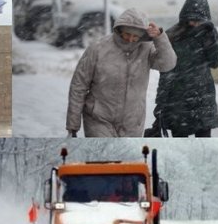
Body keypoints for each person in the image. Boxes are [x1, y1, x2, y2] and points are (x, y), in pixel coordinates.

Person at [66, 8, 177, 137]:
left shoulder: (146, 49)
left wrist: (160, 38)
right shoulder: (97, 49)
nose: (130, 39)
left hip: (132, 123)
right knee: (105, 156)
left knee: (127, 158)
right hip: (99, 120)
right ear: (119, 30)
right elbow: (78, 86)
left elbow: (168, 64)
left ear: (142, 35)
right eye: (127, 34)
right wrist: (73, 126)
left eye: (135, 36)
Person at [150, 0, 218, 137]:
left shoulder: (208, 33)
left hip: (203, 98)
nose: (195, 24)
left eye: (199, 20)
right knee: (181, 145)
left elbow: (215, 62)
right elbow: (166, 71)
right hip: (178, 100)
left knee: (204, 146)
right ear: (184, 16)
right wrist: (160, 103)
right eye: (192, 19)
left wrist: (210, 39)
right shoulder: (172, 35)